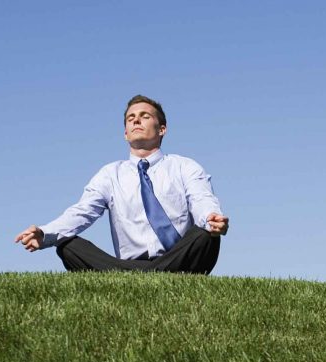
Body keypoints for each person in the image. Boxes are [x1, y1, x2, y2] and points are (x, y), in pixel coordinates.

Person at [14, 95, 229, 274]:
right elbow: (82, 212)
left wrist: (211, 218)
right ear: (126, 133)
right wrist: (45, 233)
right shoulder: (110, 174)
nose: (136, 121)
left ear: (162, 129)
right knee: (68, 246)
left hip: (180, 258)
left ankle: (135, 278)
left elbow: (201, 199)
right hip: (129, 263)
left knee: (205, 235)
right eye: (130, 118)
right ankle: (149, 276)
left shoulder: (185, 166)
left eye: (145, 116)